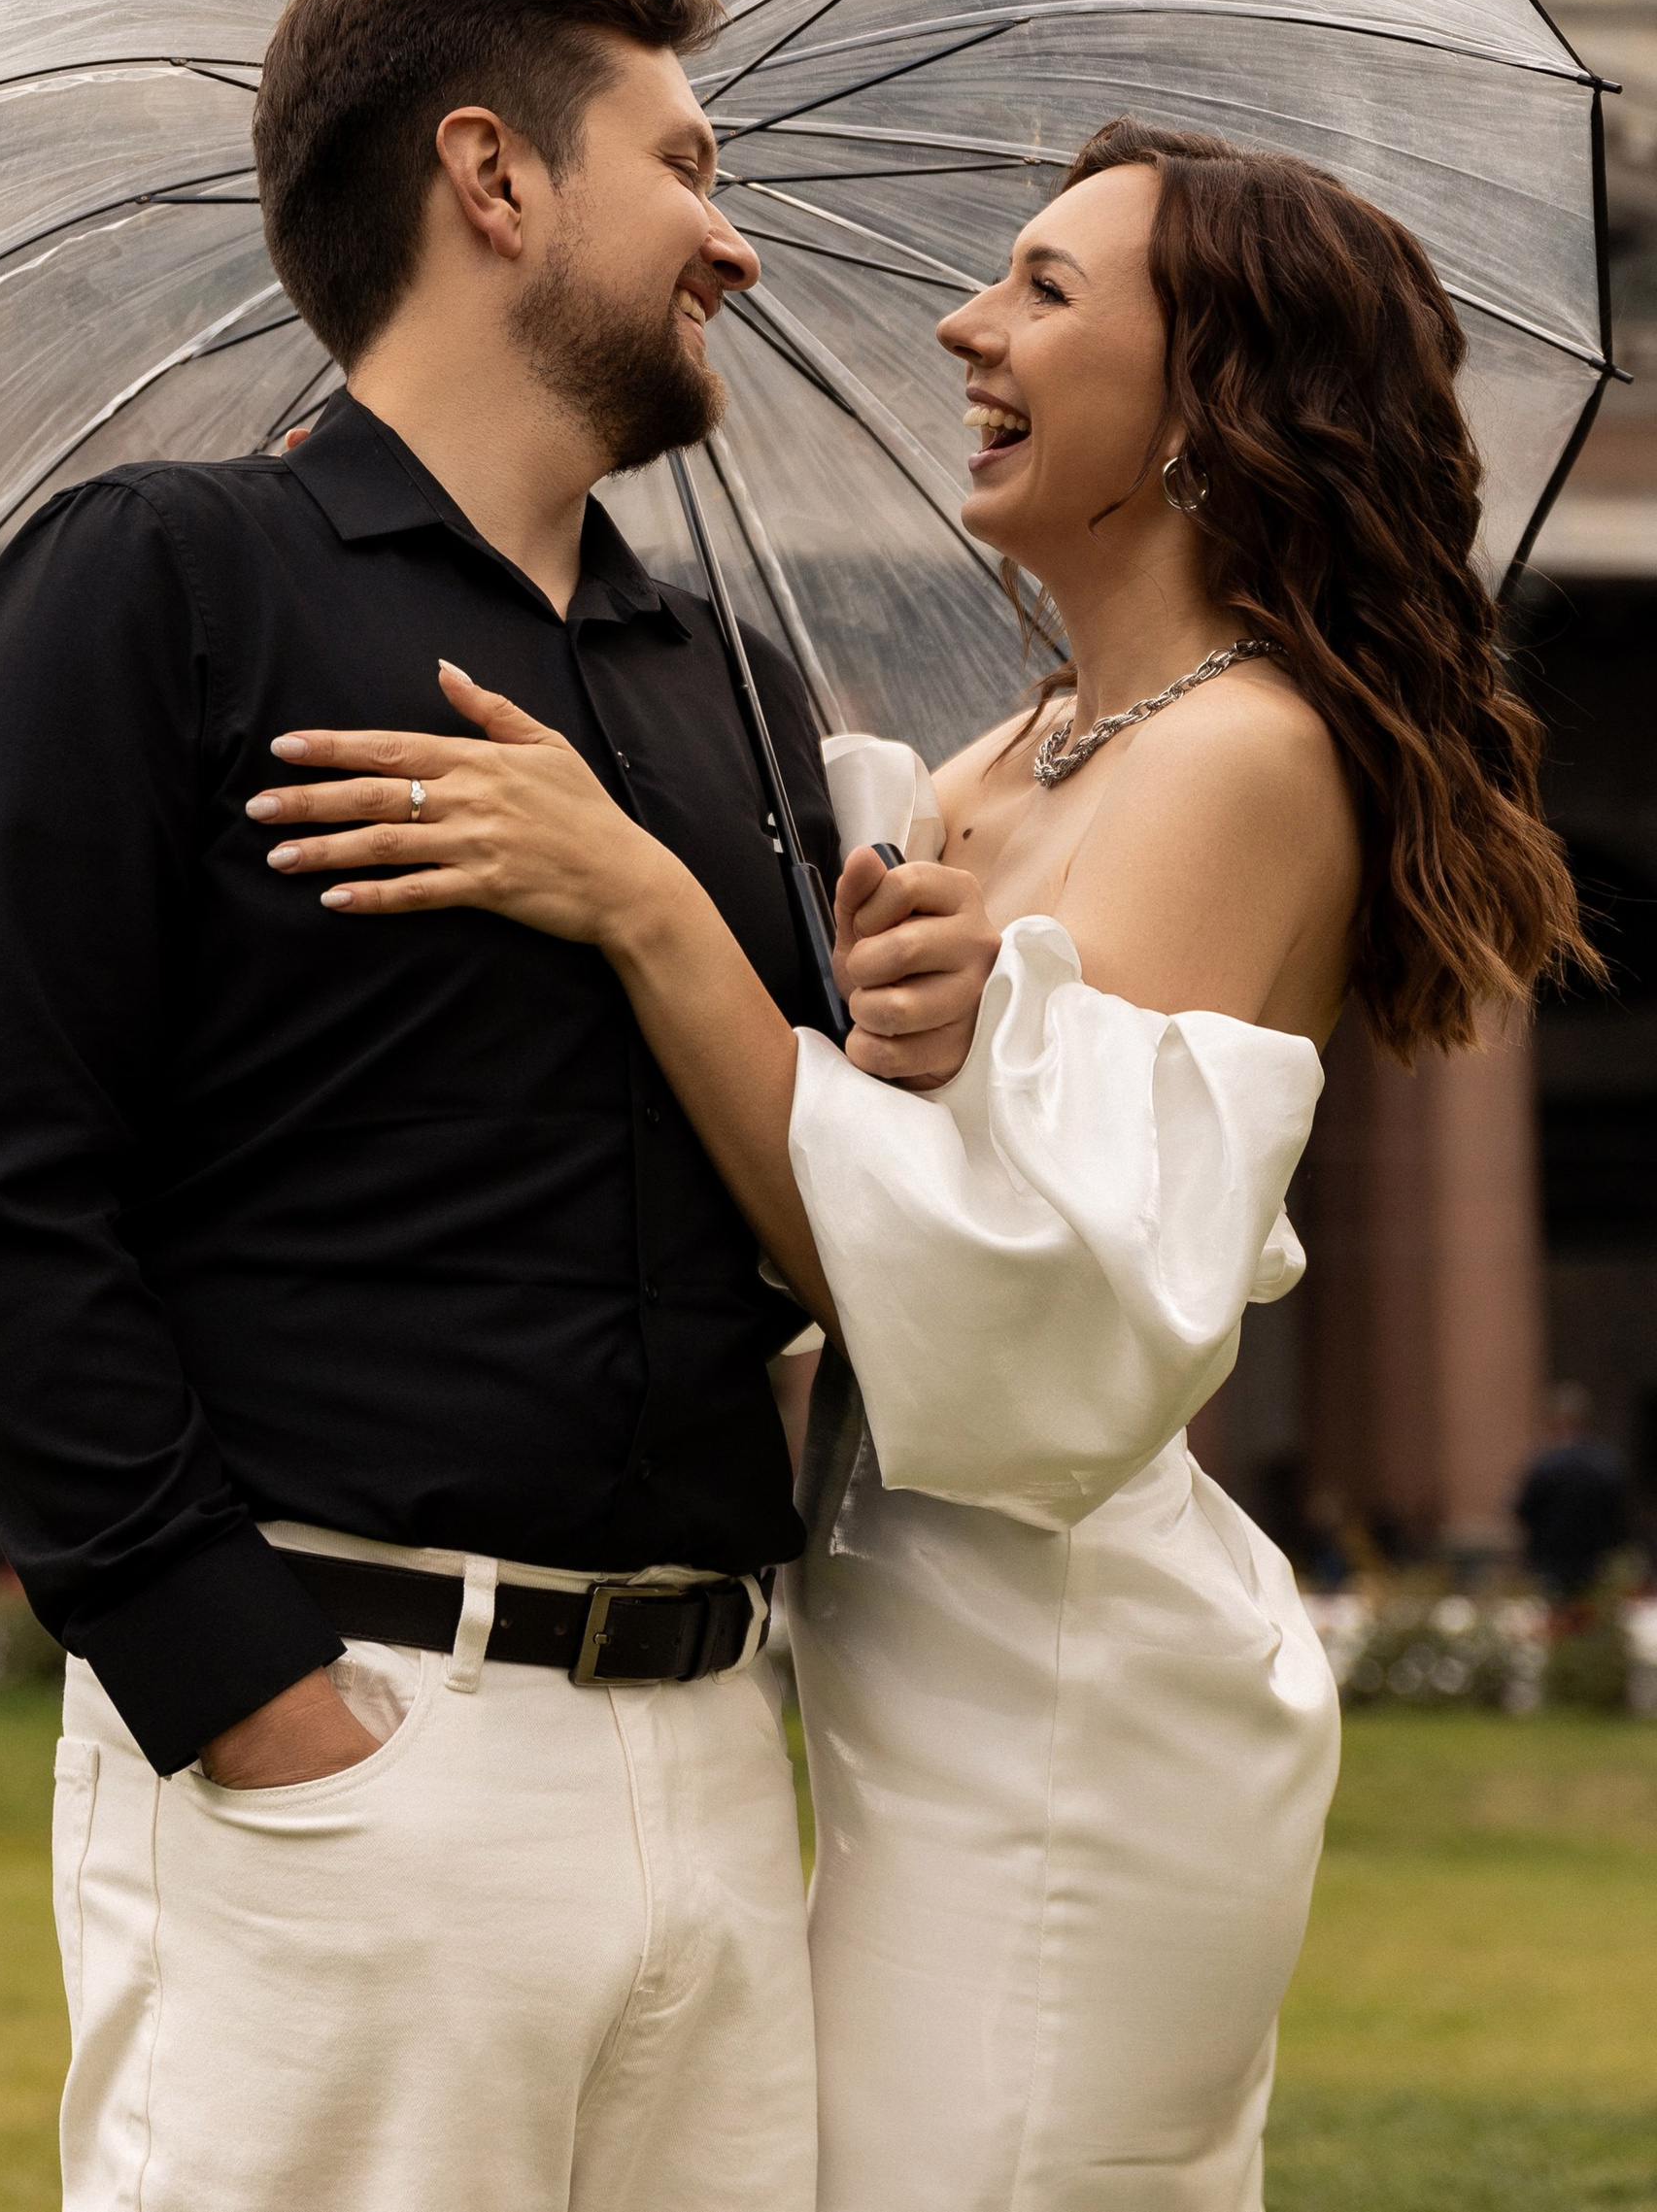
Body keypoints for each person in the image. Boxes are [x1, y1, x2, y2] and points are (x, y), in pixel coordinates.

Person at [257, 116, 1591, 2212]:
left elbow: (998, 1312)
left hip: (1065, 1685)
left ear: (1205, 399)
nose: (963, 325)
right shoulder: (987, 763)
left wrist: (639, 905)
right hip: (904, 1650)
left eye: (1044, 291)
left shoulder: (1245, 755)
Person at [0, 0, 995, 2212]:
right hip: (350, 1736)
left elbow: (833, 1232)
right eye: (682, 162)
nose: (733, 234)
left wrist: (900, 1052)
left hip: (709, 1753)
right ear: (490, 178)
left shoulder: (738, 692)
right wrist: (254, 1702)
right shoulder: (159, 581)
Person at [1516, 1385, 1632, 1600]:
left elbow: (1524, 1510)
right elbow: (1619, 1515)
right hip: (1595, 1562)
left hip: (1551, 1562)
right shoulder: (1606, 1462)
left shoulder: (1546, 1464)